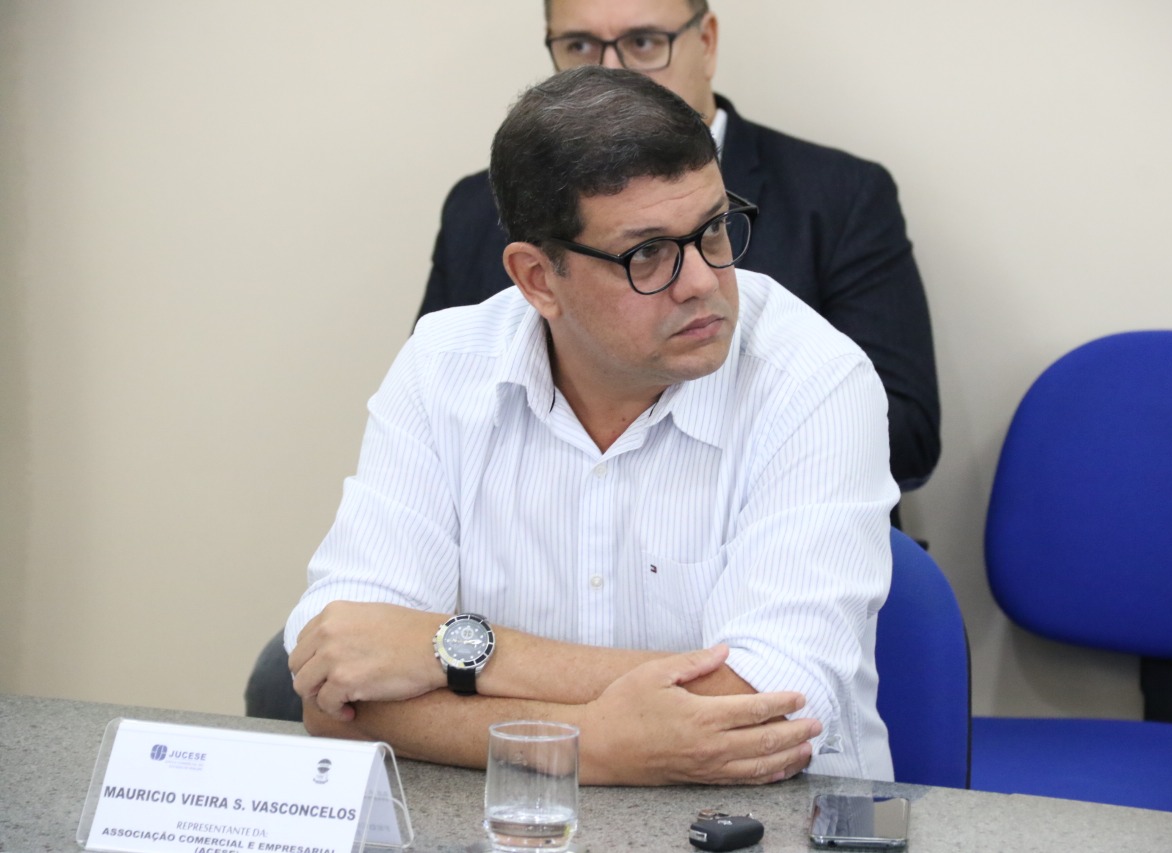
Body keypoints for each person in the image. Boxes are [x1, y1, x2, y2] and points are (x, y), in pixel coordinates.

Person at [285, 66, 898, 786]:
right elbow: (337, 684)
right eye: (648, 254)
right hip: (509, 816)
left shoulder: (816, 380)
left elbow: (767, 707)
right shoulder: (443, 367)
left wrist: (453, 652)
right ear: (538, 279)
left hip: (774, 816)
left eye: (713, 230)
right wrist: (596, 743)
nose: (702, 281)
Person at [419, 0, 940, 491]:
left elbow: (908, 433)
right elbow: (442, 407)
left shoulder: (839, 193)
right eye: (579, 46)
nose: (611, 72)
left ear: (706, 42)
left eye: (644, 42)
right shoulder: (477, 210)